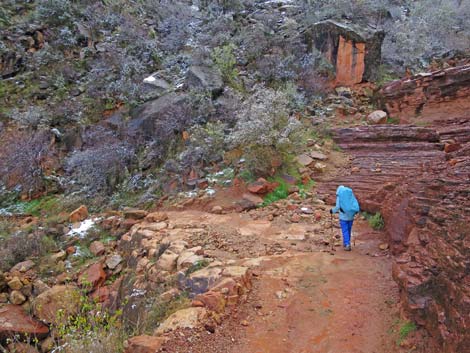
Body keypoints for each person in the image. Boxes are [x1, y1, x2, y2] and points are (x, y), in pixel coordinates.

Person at [330, 185, 360, 251]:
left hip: (343, 217)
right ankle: (347, 243)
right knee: (348, 229)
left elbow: (337, 207)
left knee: (345, 230)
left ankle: (347, 244)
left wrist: (332, 210)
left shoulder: (339, 196)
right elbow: (354, 203)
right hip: (351, 216)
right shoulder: (350, 194)